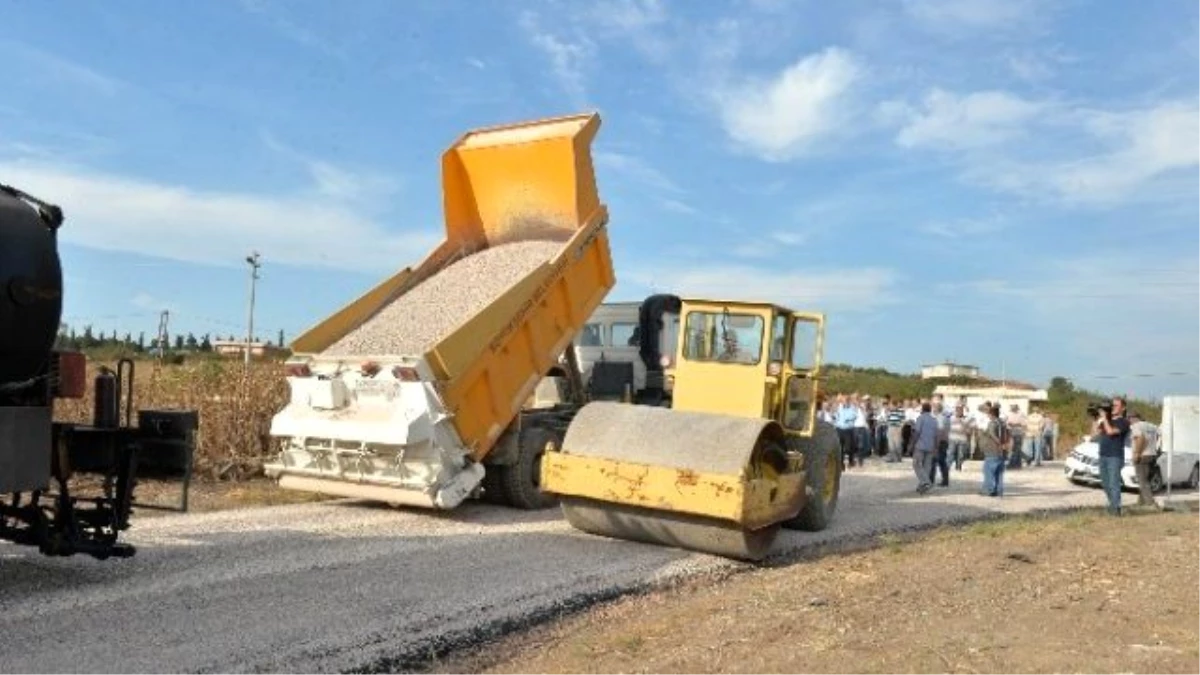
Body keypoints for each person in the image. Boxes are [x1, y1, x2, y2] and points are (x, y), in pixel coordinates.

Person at [1094, 397, 1131, 516]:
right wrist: (1096, 418)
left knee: (1114, 483)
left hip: (1115, 456)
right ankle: (1114, 505)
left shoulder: (1124, 422)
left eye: (1116, 405)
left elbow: (1110, 432)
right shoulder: (1107, 420)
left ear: (1123, 408)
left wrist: (1105, 418)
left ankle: (1115, 509)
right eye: (1112, 405)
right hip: (1103, 455)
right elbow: (1094, 434)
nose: (1113, 407)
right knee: (1105, 483)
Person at [1129, 410, 1161, 510]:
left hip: (1142, 455)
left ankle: (1151, 504)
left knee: (1142, 481)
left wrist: (1137, 453)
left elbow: (1140, 438)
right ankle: (1140, 503)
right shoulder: (1152, 426)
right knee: (1145, 480)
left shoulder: (1136, 426)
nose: (1129, 421)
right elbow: (1160, 436)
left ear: (1134, 418)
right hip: (1152, 455)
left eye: (1129, 418)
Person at [978, 403, 1006, 496]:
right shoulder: (1002, 423)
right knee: (999, 472)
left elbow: (992, 434)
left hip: (992, 449)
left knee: (989, 471)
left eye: (988, 414)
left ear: (992, 414)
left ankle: (989, 490)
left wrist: (999, 443)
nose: (987, 415)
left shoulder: (992, 423)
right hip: (1001, 451)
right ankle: (999, 490)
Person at [910, 402, 938, 494]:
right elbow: (936, 435)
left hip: (921, 445)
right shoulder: (934, 420)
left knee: (916, 464)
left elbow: (917, 432)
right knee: (927, 466)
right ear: (930, 410)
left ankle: (926, 482)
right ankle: (922, 485)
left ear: (922, 409)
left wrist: (912, 444)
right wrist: (935, 447)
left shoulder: (920, 418)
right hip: (931, 445)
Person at [947, 403, 972, 471]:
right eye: (957, 410)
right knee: (950, 453)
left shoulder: (966, 419)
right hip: (952, 438)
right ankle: (947, 467)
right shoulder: (951, 418)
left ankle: (958, 467)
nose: (959, 411)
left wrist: (963, 423)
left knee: (961, 455)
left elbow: (969, 431)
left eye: (960, 410)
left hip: (962, 439)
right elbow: (947, 427)